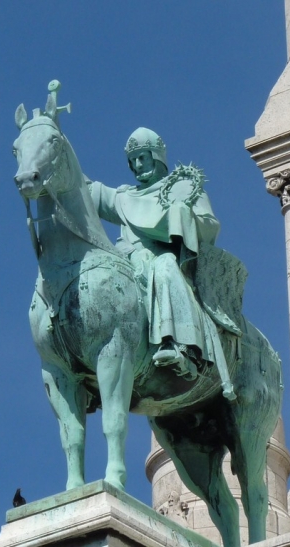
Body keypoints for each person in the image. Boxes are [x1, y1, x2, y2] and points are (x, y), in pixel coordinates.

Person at [88, 127, 236, 400]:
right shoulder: (123, 197)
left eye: (142, 158)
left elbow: (210, 228)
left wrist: (183, 214)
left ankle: (182, 348)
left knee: (165, 265)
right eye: (132, 161)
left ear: (157, 157)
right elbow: (87, 190)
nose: (137, 166)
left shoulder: (184, 191)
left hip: (170, 263)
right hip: (128, 262)